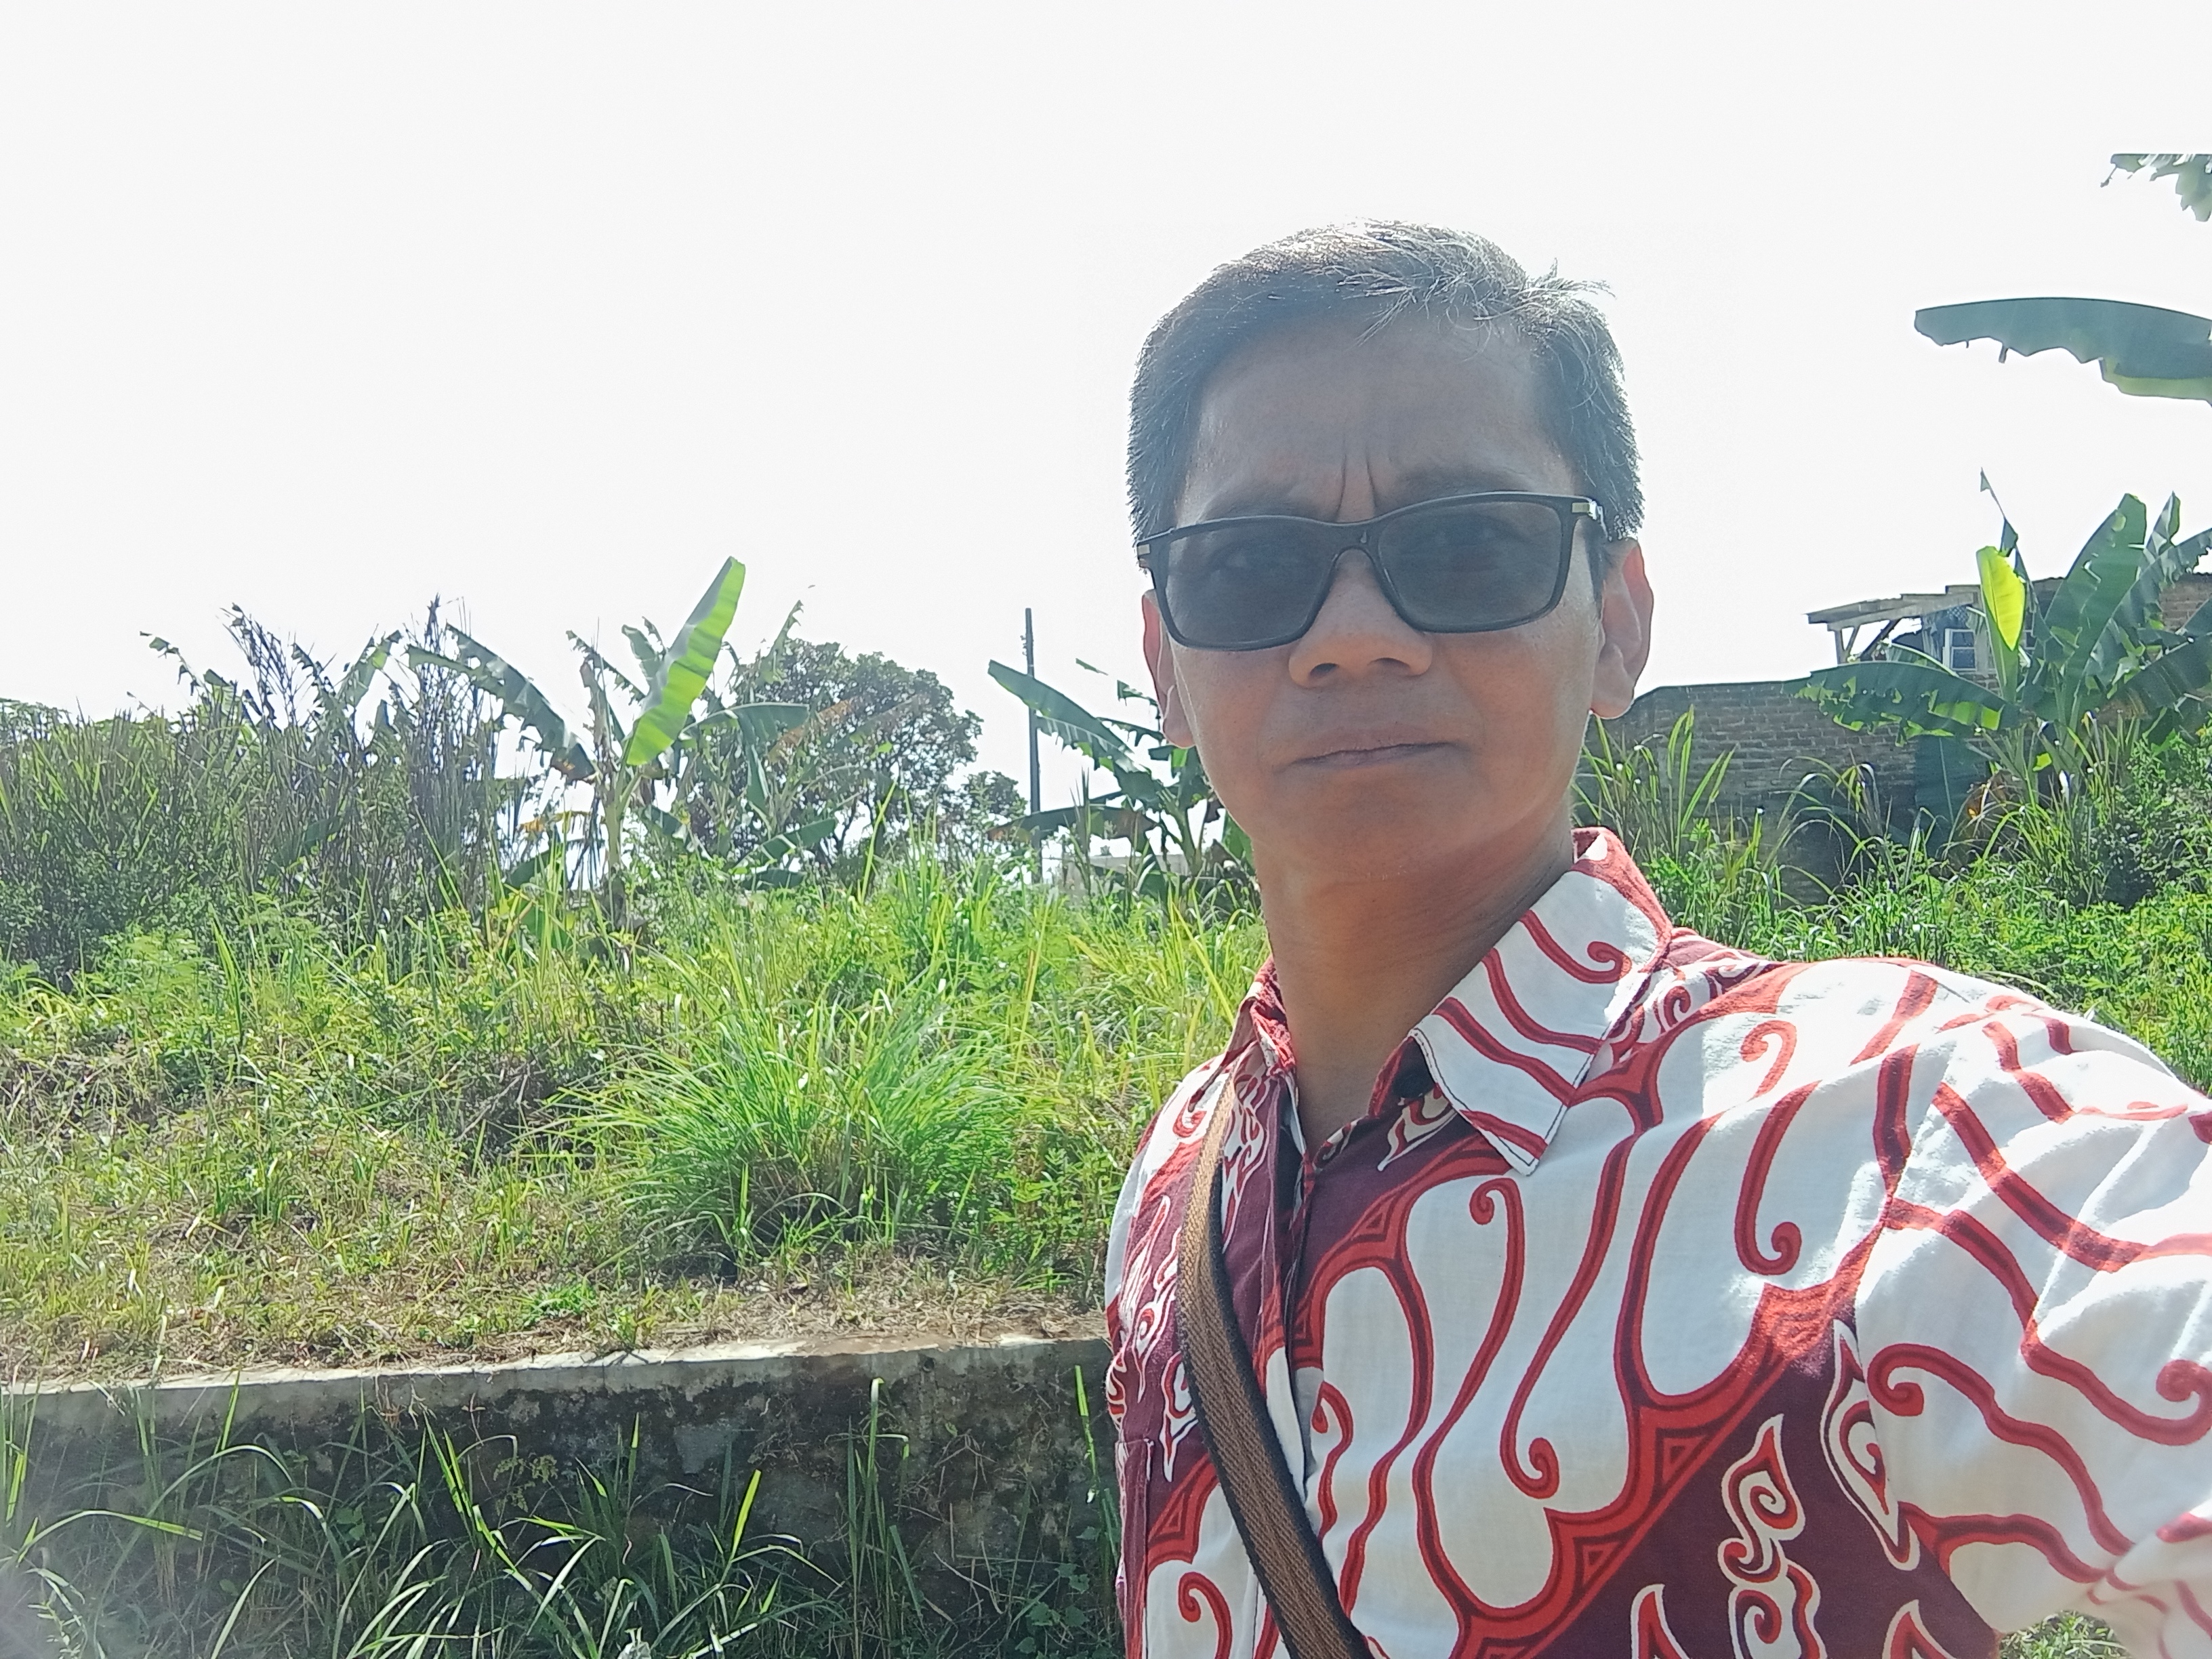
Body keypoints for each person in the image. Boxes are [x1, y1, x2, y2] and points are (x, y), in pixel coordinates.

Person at [1101, 222, 2212, 1659]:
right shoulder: (1178, 1175)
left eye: (1467, 546)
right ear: (1166, 668)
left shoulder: (1905, 1136)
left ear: (1619, 625)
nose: (1354, 635)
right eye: (1254, 568)